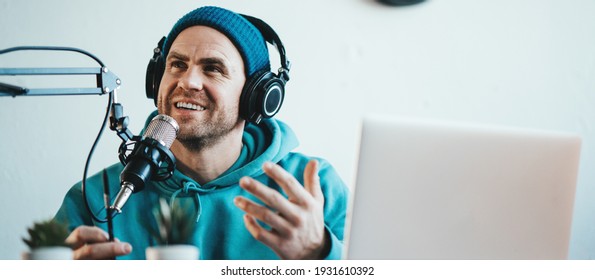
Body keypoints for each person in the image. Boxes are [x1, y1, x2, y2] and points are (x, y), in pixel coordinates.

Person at [54, 6, 349, 260]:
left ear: (257, 96)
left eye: (213, 68)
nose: (188, 81)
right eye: (177, 65)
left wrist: (319, 253)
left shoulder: (313, 188)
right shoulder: (95, 196)